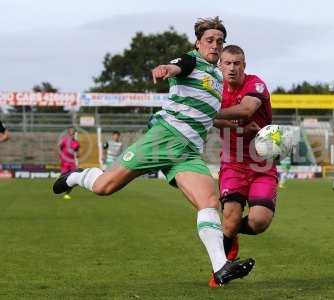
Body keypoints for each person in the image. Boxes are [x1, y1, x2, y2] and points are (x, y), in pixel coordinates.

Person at [52, 17, 254, 286]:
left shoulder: (217, 77)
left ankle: (220, 267)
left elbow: (206, 114)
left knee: (209, 201)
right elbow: (177, 66)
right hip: (163, 138)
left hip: (189, 151)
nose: (215, 44)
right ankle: (76, 176)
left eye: (219, 40)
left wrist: (232, 121)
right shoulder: (190, 61)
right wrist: (166, 69)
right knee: (104, 187)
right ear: (198, 43)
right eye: (209, 40)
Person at [211, 45, 277, 287]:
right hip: (232, 162)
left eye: (236, 63)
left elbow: (247, 108)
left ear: (244, 65)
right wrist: (236, 127)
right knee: (230, 216)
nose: (232, 68)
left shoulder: (255, 84)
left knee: (259, 222)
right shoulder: (216, 90)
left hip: (262, 164)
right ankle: (218, 275)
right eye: (227, 63)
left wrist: (213, 112)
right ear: (220, 65)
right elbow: (212, 121)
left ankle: (228, 231)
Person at [58, 127, 80, 200]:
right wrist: (60, 156)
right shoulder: (64, 140)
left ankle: (67, 194)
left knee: (73, 178)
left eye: (73, 132)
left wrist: (77, 155)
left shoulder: (76, 143)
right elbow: (59, 148)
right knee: (62, 177)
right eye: (71, 132)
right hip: (64, 162)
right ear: (68, 133)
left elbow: (77, 153)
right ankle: (59, 187)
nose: (73, 133)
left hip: (72, 163)